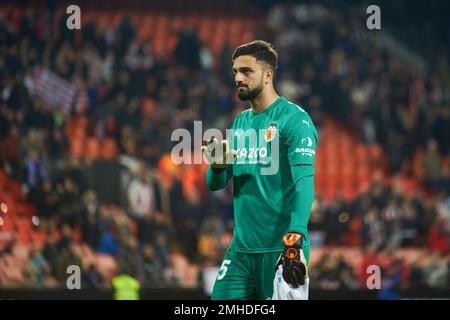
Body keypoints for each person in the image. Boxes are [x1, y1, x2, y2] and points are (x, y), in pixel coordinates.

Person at [201, 40, 318, 300]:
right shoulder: (240, 122)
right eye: (235, 71)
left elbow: (304, 182)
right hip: (241, 251)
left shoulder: (294, 120)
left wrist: (297, 233)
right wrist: (218, 166)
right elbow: (215, 183)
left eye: (246, 71)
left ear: (268, 76)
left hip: (282, 249)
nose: (238, 78)